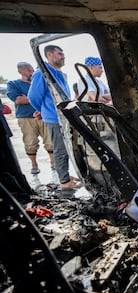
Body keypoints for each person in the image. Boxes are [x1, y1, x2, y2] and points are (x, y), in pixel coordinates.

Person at [28, 45, 82, 189]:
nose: (63, 56)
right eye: (59, 54)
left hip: (64, 117)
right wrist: (44, 110)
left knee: (69, 149)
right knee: (60, 150)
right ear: (49, 55)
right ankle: (64, 183)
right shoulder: (42, 73)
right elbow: (33, 97)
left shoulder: (59, 73)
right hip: (54, 118)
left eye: (63, 53)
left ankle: (66, 175)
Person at [7, 62, 55, 175]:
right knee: (30, 142)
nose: (32, 73)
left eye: (32, 70)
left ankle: (53, 163)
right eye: (28, 70)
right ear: (20, 71)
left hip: (43, 116)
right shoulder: (13, 84)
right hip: (25, 118)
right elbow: (18, 100)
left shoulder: (37, 82)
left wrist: (28, 98)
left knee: (50, 141)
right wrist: (36, 97)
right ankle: (34, 165)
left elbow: (48, 96)